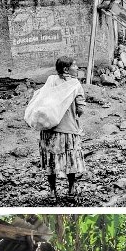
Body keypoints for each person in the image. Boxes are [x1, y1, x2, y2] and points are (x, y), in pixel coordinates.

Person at [39, 56, 86, 200]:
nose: (77, 68)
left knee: (50, 161)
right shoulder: (74, 84)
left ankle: (53, 192)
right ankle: (71, 190)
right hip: (68, 130)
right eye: (75, 65)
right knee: (71, 160)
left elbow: (42, 101)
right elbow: (80, 109)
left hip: (49, 130)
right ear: (66, 69)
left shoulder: (51, 81)